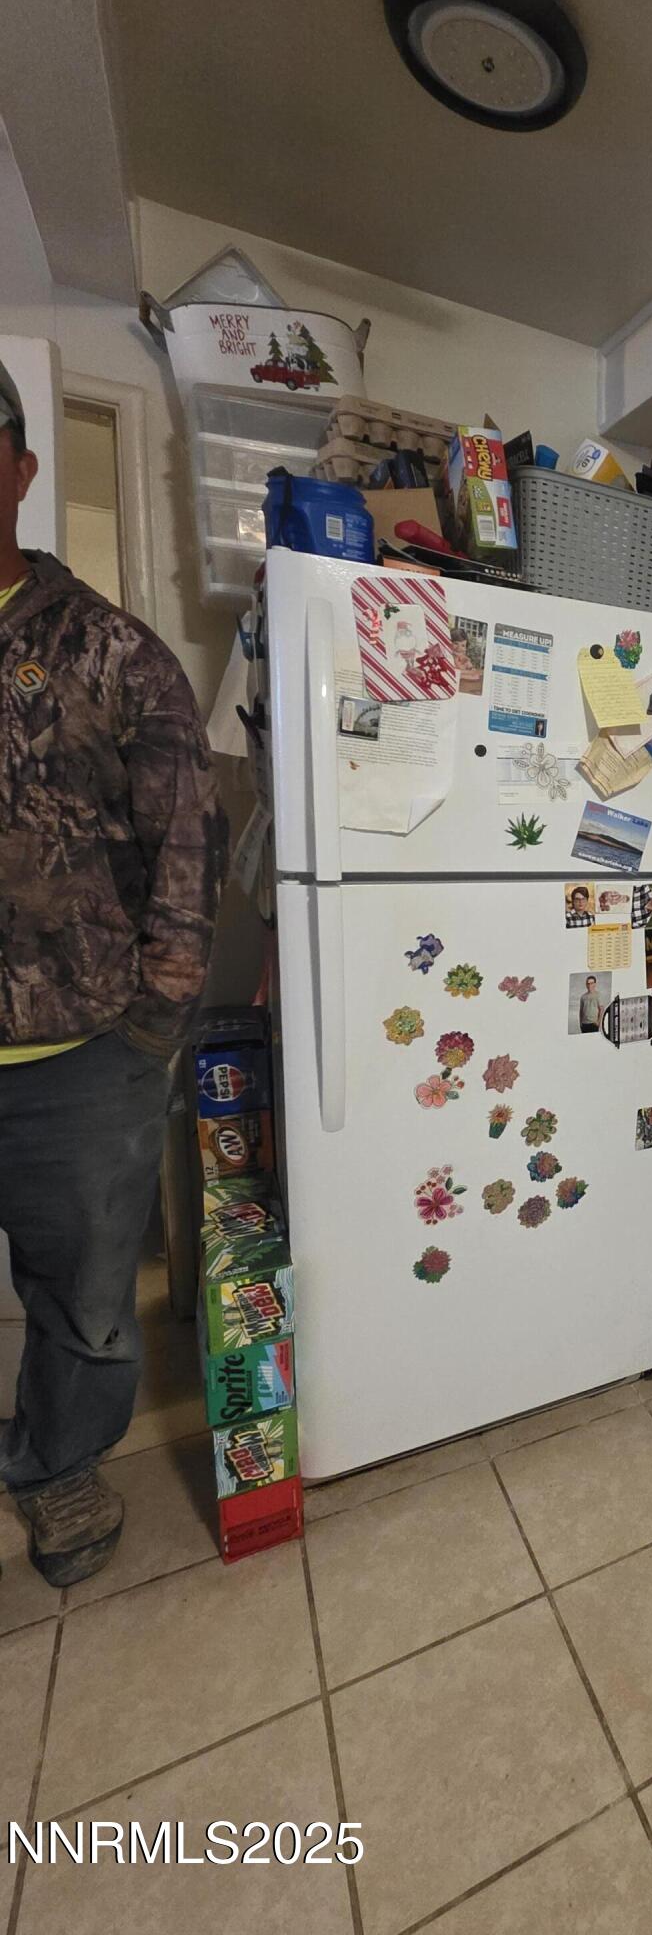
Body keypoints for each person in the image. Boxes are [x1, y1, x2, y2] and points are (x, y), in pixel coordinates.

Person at [0, 358, 227, 1587]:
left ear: (22, 471)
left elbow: (191, 849)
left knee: (85, 1300)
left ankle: (60, 1464)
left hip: (79, 1057)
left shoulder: (111, 653)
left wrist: (150, 1032)